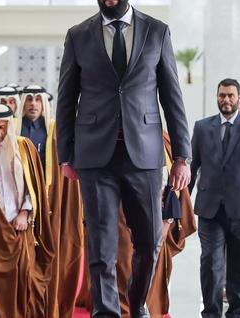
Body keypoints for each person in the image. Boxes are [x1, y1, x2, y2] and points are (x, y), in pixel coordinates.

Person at [56, 0, 191, 317]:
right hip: (94, 157)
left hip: (144, 155)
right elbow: (66, 100)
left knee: (148, 244)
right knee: (101, 248)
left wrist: (182, 155)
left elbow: (172, 96)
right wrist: (64, 156)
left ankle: (136, 306)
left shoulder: (157, 32)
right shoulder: (78, 36)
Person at [77, 130, 197, 318]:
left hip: (149, 216)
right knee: (112, 265)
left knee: (146, 262)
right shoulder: (102, 138)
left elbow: (172, 189)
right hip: (117, 222)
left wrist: (167, 220)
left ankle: (139, 307)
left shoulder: (159, 138)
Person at [0, 104, 55, 317]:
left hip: (19, 228)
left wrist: (25, 212)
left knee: (27, 277)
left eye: (2, 127)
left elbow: (33, 186)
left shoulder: (24, 148)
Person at [189, 78, 240, 317]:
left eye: (231, 95)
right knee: (210, 263)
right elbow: (191, 167)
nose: (226, 100)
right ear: (217, 97)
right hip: (210, 210)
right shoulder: (201, 127)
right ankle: (210, 313)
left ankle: (237, 313)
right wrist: (180, 205)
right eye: (222, 95)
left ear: (239, 98)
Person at [19, 84, 84, 318]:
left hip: (52, 207)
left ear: (45, 104)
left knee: (55, 258)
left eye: (37, 100)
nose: (33, 104)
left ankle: (51, 308)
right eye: (28, 100)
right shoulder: (15, 132)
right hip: (21, 210)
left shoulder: (56, 132)